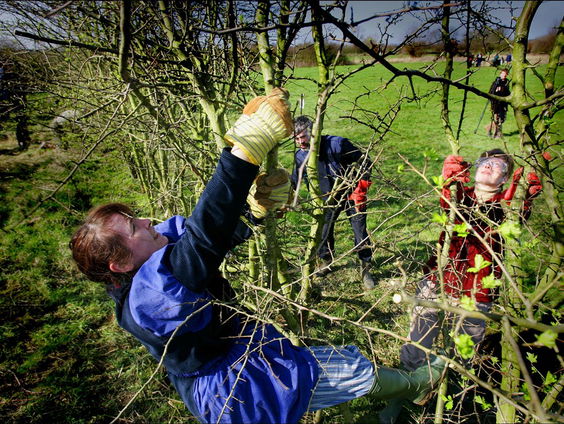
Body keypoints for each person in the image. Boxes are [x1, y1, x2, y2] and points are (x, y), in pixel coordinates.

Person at [70, 89, 445, 424]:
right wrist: (245, 151)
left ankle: (407, 389)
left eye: (134, 217)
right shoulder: (148, 299)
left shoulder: (145, 273)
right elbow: (202, 241)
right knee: (347, 370)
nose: (147, 220)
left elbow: (202, 246)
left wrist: (253, 214)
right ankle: (416, 384)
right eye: (135, 228)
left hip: (236, 371)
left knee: (338, 370)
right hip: (236, 393)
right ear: (119, 264)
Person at [378, 149, 542, 424]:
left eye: (498, 165)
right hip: (438, 280)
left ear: (505, 179)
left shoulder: (507, 205)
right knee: (418, 343)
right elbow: (446, 200)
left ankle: (445, 398)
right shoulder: (459, 196)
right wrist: (451, 177)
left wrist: (530, 181)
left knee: (461, 353)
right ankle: (399, 396)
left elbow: (521, 209)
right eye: (485, 162)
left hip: (478, 290)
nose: (489, 166)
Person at [291, 116, 376, 289]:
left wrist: (361, 187)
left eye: (303, 137)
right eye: (296, 138)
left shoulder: (337, 145)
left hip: (351, 193)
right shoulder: (300, 155)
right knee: (323, 232)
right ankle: (327, 261)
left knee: (360, 231)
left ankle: (365, 268)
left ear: (313, 133)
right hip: (327, 198)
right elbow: (297, 179)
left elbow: (365, 161)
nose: (300, 142)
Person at [488, 68, 510, 138]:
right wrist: (496, 90)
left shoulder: (506, 82)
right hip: (495, 103)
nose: (503, 75)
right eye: (502, 74)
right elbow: (491, 92)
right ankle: (496, 133)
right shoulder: (496, 82)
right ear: (500, 74)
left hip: (503, 103)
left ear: (506, 75)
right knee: (496, 118)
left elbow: (507, 92)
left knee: (502, 119)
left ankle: (491, 130)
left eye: (505, 74)